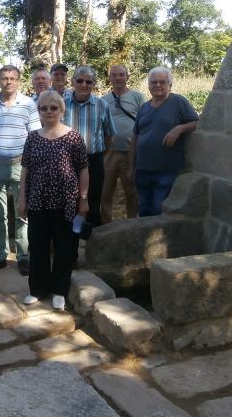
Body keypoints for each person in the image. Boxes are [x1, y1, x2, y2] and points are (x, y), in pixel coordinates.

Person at [18, 90, 89, 311]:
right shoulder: (32, 137)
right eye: (44, 108)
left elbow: (83, 169)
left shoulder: (73, 137)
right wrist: (22, 199)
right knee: (38, 246)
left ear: (61, 110)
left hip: (66, 201)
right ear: (38, 111)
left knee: (64, 247)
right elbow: (25, 170)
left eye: (53, 108)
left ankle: (59, 290)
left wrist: (83, 199)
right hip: (37, 201)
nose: (48, 112)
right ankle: (37, 289)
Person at [0, 65, 41, 276]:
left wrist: (31, 165)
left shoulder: (28, 104)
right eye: (4, 78)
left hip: (21, 166)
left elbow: (34, 137)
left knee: (22, 213)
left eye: (13, 78)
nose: (8, 82)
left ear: (18, 81)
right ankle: (0, 256)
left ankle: (22, 257)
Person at [128, 66, 199, 216]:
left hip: (166, 170)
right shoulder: (144, 107)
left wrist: (179, 128)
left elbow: (197, 123)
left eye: (162, 82)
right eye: (153, 82)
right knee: (144, 209)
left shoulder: (178, 102)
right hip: (142, 169)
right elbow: (135, 138)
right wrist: (131, 167)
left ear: (170, 84)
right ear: (149, 85)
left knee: (158, 209)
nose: (158, 85)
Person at [63, 66, 115, 229]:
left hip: (94, 160)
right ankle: (70, 235)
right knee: (69, 199)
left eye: (88, 81)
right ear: (73, 82)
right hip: (67, 161)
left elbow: (109, 135)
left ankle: (92, 236)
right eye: (80, 81)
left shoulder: (102, 105)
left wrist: (101, 156)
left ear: (94, 84)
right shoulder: (62, 105)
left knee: (93, 200)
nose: (84, 85)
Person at [100, 64, 145, 223]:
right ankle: (106, 225)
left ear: (127, 77)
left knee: (132, 191)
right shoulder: (103, 100)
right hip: (109, 153)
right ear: (110, 78)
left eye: (121, 75)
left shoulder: (137, 97)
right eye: (114, 75)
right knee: (105, 191)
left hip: (130, 153)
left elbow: (144, 121)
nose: (118, 78)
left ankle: (132, 224)